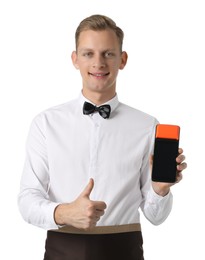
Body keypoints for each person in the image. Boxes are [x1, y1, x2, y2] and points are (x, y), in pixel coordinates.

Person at [18, 14, 187, 260]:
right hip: (62, 250)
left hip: (125, 250)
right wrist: (64, 213)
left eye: (108, 53)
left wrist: (160, 189)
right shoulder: (45, 124)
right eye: (88, 53)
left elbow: (156, 217)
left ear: (123, 59)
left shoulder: (147, 126)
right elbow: (26, 200)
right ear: (75, 59)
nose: (98, 63)